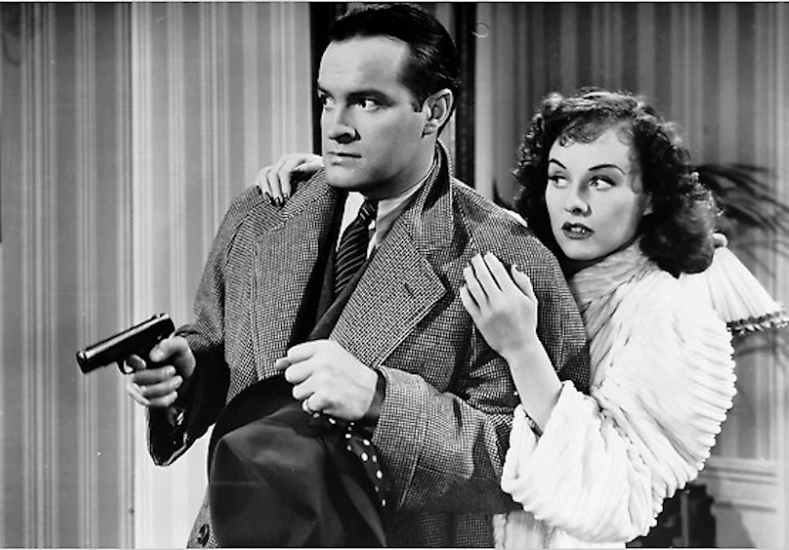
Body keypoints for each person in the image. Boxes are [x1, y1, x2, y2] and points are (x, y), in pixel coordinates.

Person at [125, 4, 590, 548]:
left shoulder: (505, 255)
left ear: (435, 111)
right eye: (328, 99)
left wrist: (381, 399)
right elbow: (220, 350)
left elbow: (537, 461)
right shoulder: (262, 214)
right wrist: (187, 375)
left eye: (368, 102)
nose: (336, 126)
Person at [258, 88, 785, 547]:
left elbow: (616, 495)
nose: (574, 203)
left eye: (602, 182)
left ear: (649, 197)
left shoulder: (673, 318)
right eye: (559, 178)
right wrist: (338, 178)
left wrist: (522, 348)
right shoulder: (540, 266)